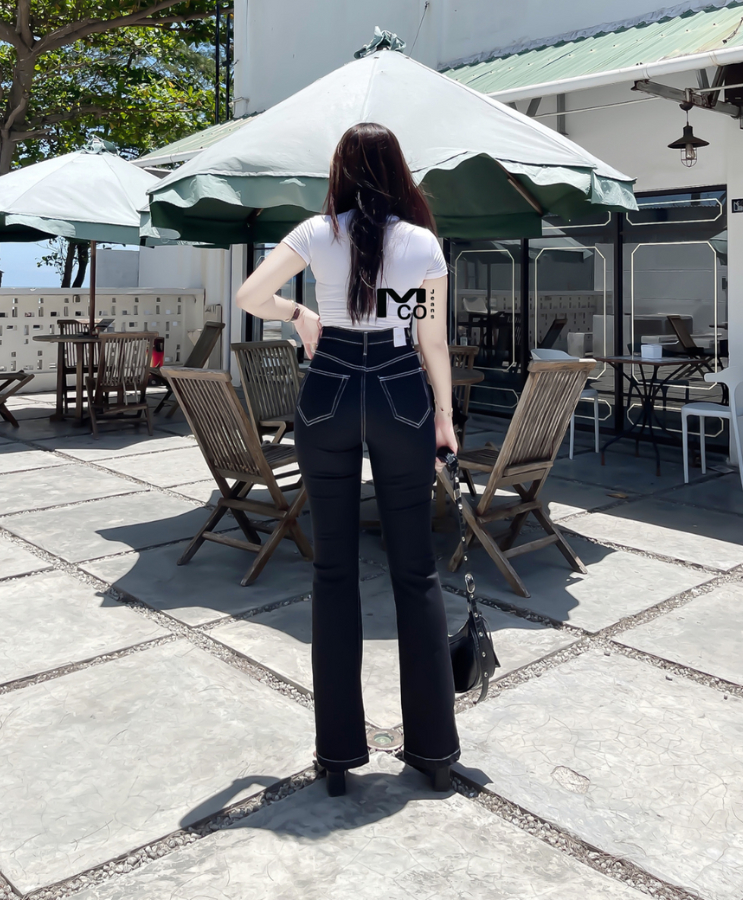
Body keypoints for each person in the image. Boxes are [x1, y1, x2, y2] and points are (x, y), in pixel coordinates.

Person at [235, 121, 460, 797]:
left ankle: (337, 755)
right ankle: (434, 751)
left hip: (329, 386)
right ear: (398, 172)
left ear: (339, 171)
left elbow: (249, 297)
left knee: (332, 573)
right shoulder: (422, 242)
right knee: (415, 572)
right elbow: (433, 341)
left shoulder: (314, 233)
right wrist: (444, 417)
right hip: (398, 388)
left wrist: (299, 315)